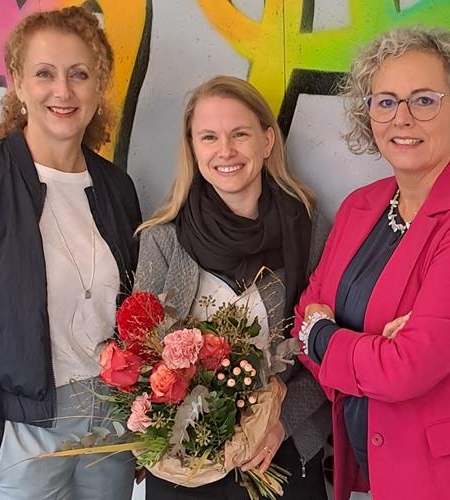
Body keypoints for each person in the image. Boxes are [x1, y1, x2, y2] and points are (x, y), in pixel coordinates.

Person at [293, 26, 450, 500]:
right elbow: (302, 315)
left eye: (424, 100)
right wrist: (368, 347)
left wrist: (325, 335)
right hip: (381, 468)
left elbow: (402, 369)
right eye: (386, 101)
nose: (402, 118)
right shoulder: (359, 208)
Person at [0, 7, 141, 499]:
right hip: (20, 435)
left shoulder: (117, 189)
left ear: (99, 87)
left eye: (80, 74)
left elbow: (132, 310)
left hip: (109, 427)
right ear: (16, 83)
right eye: (44, 73)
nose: (63, 91)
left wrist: (139, 416)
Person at [134, 75, 331, 500]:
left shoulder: (308, 228)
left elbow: (327, 349)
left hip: (282, 452)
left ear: (266, 141)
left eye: (239, 134)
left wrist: (281, 423)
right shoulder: (162, 237)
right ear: (192, 148)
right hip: (186, 466)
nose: (225, 150)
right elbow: (142, 359)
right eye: (209, 137)